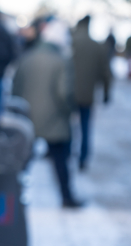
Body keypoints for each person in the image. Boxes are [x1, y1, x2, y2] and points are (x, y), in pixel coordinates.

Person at [12, 19, 82, 208]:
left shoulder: (27, 56)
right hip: (55, 120)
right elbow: (64, 93)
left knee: (23, 160)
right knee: (60, 161)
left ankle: (14, 195)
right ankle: (66, 197)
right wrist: (70, 111)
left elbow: (15, 87)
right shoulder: (62, 61)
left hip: (28, 118)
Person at [72, 16, 112, 171]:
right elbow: (105, 72)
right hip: (87, 95)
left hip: (68, 94)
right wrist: (107, 92)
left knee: (67, 126)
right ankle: (83, 159)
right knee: (85, 127)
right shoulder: (97, 46)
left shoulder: (71, 43)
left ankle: (66, 155)